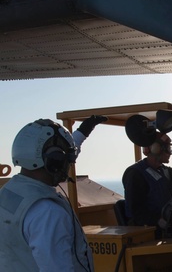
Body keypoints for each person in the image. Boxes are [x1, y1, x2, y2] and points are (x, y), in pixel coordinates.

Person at [0, 115, 107, 272]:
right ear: (55, 162)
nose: (69, 164)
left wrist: (84, 131)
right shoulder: (48, 212)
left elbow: (62, 152)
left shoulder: (8, 194)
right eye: (67, 159)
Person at [122, 132, 172, 237]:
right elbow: (136, 211)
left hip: (164, 223)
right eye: (167, 148)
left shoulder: (164, 170)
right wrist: (158, 220)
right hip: (145, 230)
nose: (170, 153)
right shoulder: (136, 174)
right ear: (155, 148)